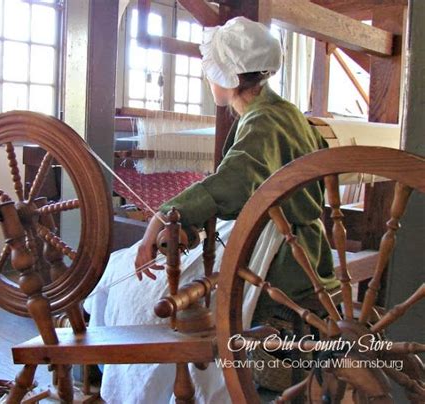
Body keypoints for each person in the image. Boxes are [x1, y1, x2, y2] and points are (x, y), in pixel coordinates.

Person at [84, 16, 339, 403]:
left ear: (230, 77)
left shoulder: (264, 121)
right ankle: (112, 372)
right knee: (132, 272)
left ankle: (132, 380)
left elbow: (233, 183)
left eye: (212, 72)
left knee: (129, 281)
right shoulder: (285, 112)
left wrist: (160, 218)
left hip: (283, 256)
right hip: (303, 244)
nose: (208, 80)